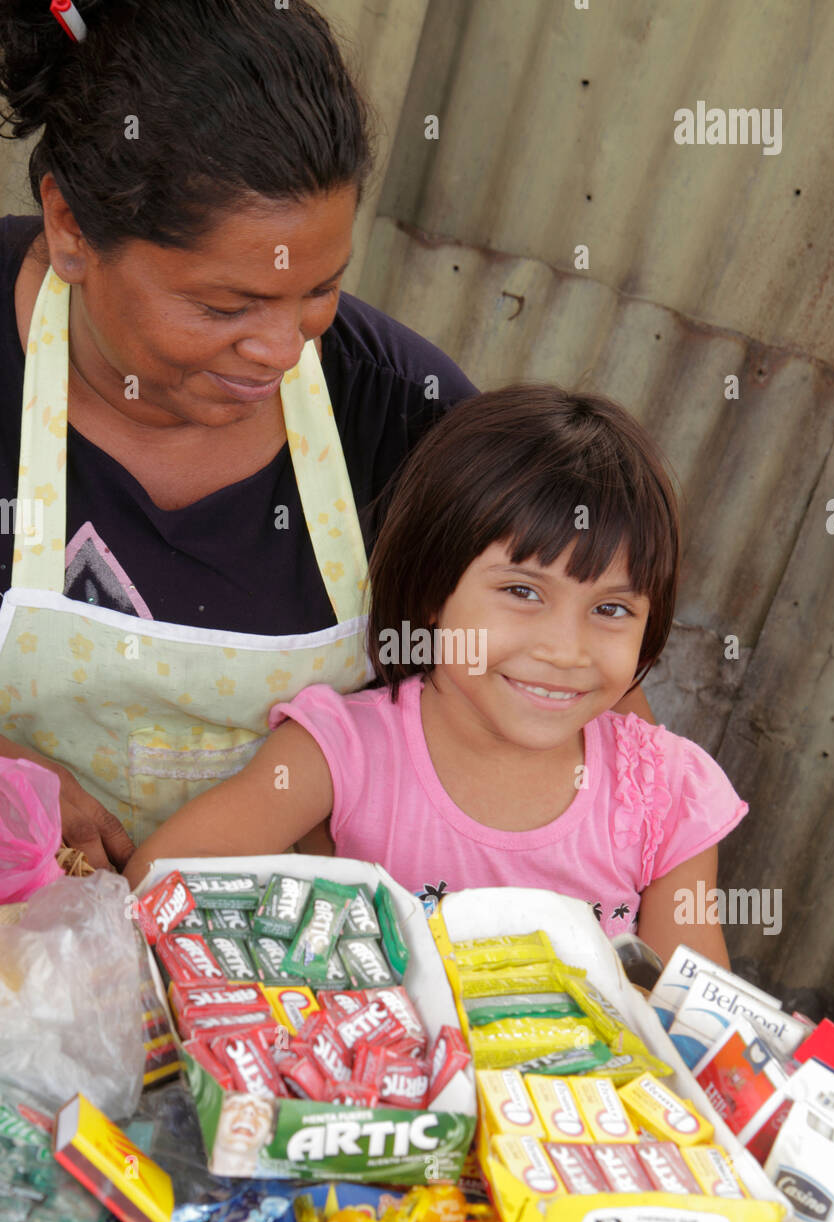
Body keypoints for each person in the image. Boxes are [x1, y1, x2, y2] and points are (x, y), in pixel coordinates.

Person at [0, 0, 485, 870]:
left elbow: (566, 699)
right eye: (224, 306)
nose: (279, 350)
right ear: (71, 227)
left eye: (317, 292)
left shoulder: (407, 416)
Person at [125, 386, 747, 967]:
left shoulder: (667, 796)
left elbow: (693, 1021)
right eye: (523, 591)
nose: (566, 650)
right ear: (431, 590)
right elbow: (163, 876)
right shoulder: (343, 752)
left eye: (611, 609)